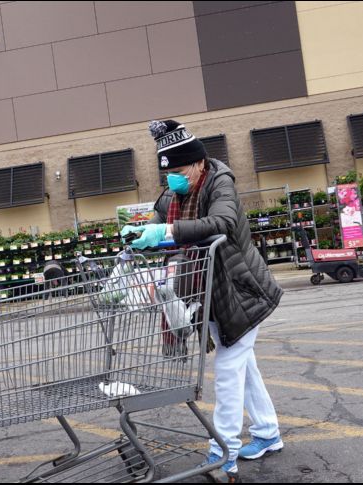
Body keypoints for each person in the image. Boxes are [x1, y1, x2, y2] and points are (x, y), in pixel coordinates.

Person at [121, 119, 284, 480]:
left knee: (228, 370)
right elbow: (158, 216)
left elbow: (223, 222)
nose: (172, 180)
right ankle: (268, 433)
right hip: (204, 292)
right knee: (244, 368)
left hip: (240, 291)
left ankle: (222, 449)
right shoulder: (173, 194)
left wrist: (166, 231)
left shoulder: (219, 183)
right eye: (167, 175)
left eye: (178, 172)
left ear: (198, 164)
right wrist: (140, 231)